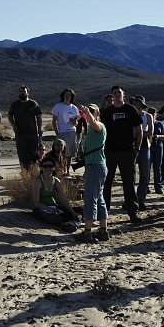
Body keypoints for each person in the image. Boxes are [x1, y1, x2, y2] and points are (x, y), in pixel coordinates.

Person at [101, 85, 143, 221]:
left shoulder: (131, 110)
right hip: (110, 152)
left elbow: (139, 130)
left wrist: (137, 149)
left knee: (129, 182)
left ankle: (132, 212)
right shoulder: (107, 112)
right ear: (112, 96)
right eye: (114, 93)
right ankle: (104, 211)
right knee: (107, 182)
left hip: (128, 151)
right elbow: (101, 132)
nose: (117, 94)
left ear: (124, 95)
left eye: (119, 92)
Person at [74, 104, 109, 243]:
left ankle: (87, 232)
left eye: (93, 111)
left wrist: (88, 113)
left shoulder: (100, 126)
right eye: (88, 111)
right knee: (99, 198)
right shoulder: (90, 131)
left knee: (90, 198)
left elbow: (93, 122)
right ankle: (103, 230)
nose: (89, 113)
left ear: (98, 113)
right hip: (94, 166)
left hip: (96, 167)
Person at [31, 159, 82, 232]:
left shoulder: (56, 180)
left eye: (50, 166)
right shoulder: (38, 180)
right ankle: (72, 223)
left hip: (55, 207)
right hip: (41, 209)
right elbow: (36, 203)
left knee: (79, 212)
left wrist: (72, 211)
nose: (48, 169)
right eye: (45, 166)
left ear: (54, 168)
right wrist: (50, 209)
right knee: (56, 219)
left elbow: (63, 199)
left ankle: (72, 224)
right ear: (41, 168)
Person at [8, 85, 43, 169]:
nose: (22, 93)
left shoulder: (33, 103)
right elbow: (10, 116)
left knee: (33, 155)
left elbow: (39, 117)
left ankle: (33, 174)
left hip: (32, 133)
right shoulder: (15, 104)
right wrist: (14, 126)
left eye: (24, 91)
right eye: (20, 91)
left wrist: (40, 128)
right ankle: (24, 174)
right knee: (22, 155)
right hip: (20, 134)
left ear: (28, 93)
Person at [130, 95, 153, 209]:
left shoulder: (148, 116)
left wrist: (138, 132)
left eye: (138, 102)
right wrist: (141, 132)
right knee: (130, 175)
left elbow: (150, 133)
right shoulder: (129, 115)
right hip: (131, 146)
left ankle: (141, 199)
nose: (136, 104)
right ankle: (130, 199)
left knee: (145, 174)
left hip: (144, 147)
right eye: (134, 102)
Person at [51, 88, 80, 177]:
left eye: (69, 95)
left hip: (72, 131)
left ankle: (67, 170)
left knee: (70, 152)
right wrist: (57, 133)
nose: (68, 96)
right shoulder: (58, 106)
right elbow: (54, 121)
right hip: (62, 131)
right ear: (63, 95)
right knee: (63, 152)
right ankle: (62, 170)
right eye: (66, 94)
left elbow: (76, 121)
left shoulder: (74, 107)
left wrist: (75, 122)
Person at [149, 107, 164, 195]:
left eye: (153, 113)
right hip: (148, 147)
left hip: (158, 146)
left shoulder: (160, 124)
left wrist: (158, 136)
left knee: (157, 167)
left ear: (156, 114)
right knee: (146, 168)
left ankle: (158, 186)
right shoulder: (145, 123)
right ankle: (146, 186)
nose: (152, 115)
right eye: (150, 113)